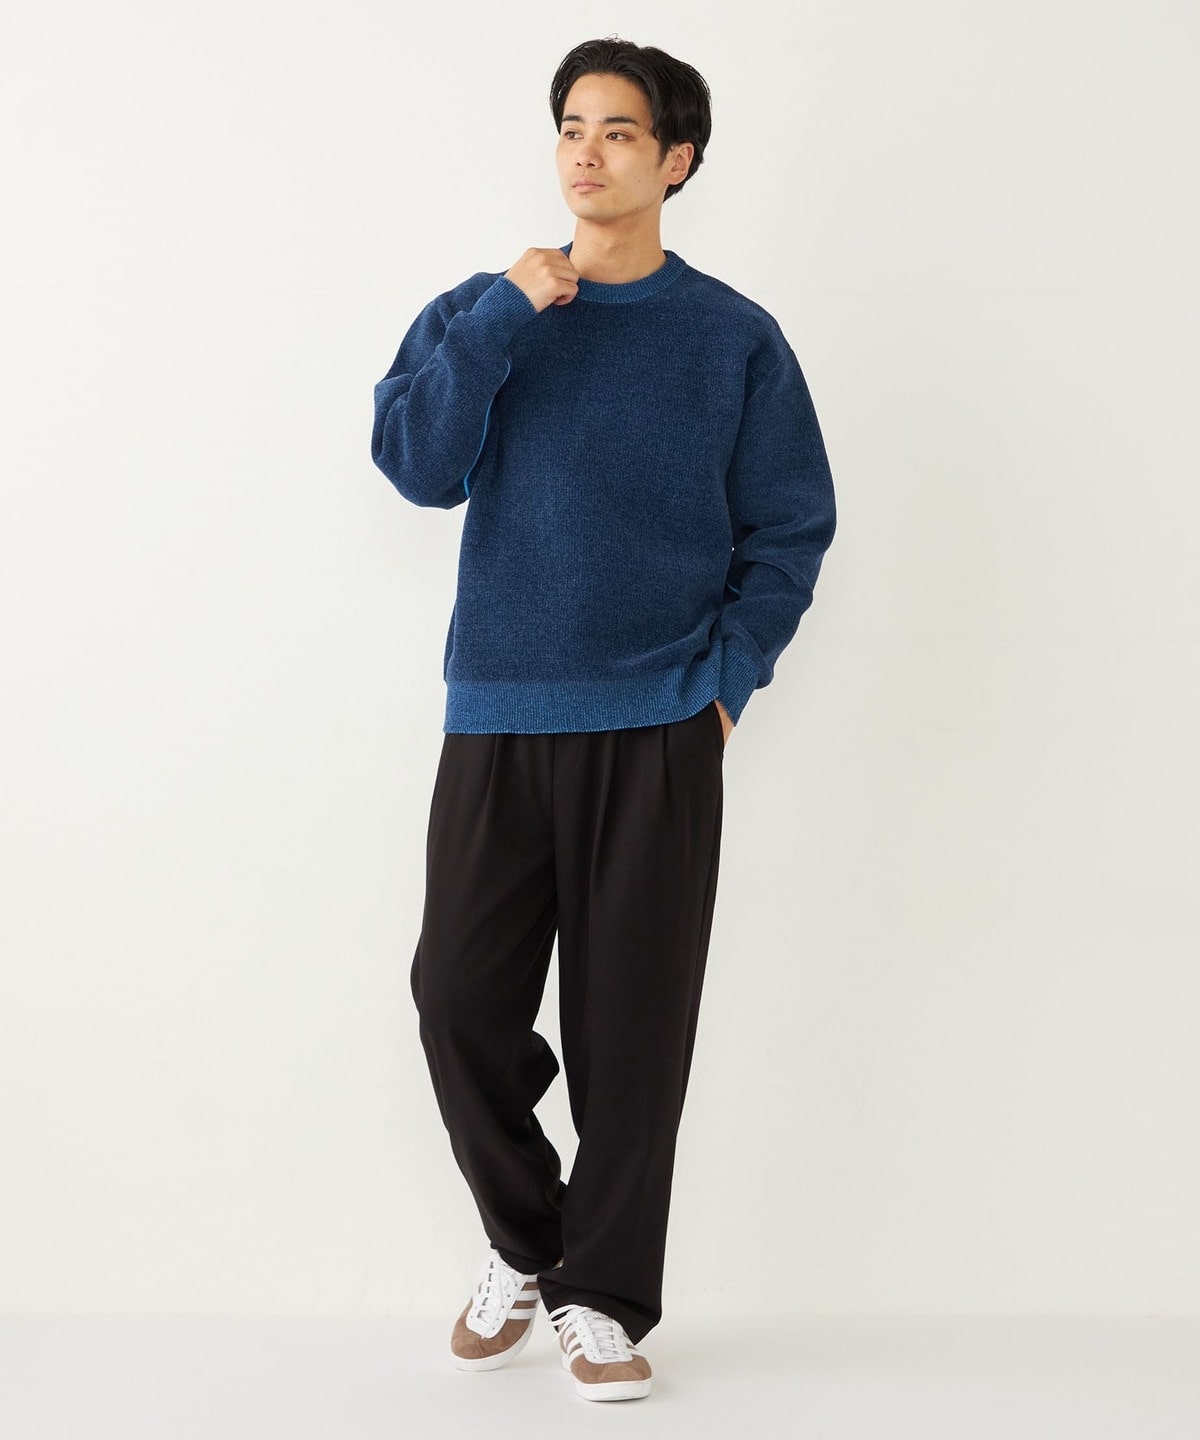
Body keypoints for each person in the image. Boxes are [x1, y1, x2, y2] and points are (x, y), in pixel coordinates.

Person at [370, 35, 836, 1403]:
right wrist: (503, 317)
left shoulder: (733, 338)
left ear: (676, 161)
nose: (585, 151)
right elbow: (414, 466)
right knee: (457, 1003)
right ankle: (533, 1243)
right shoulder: (483, 310)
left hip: (661, 724)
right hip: (499, 713)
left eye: (619, 132)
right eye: (572, 126)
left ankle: (603, 1297)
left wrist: (726, 688)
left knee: (633, 1033)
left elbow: (792, 527)